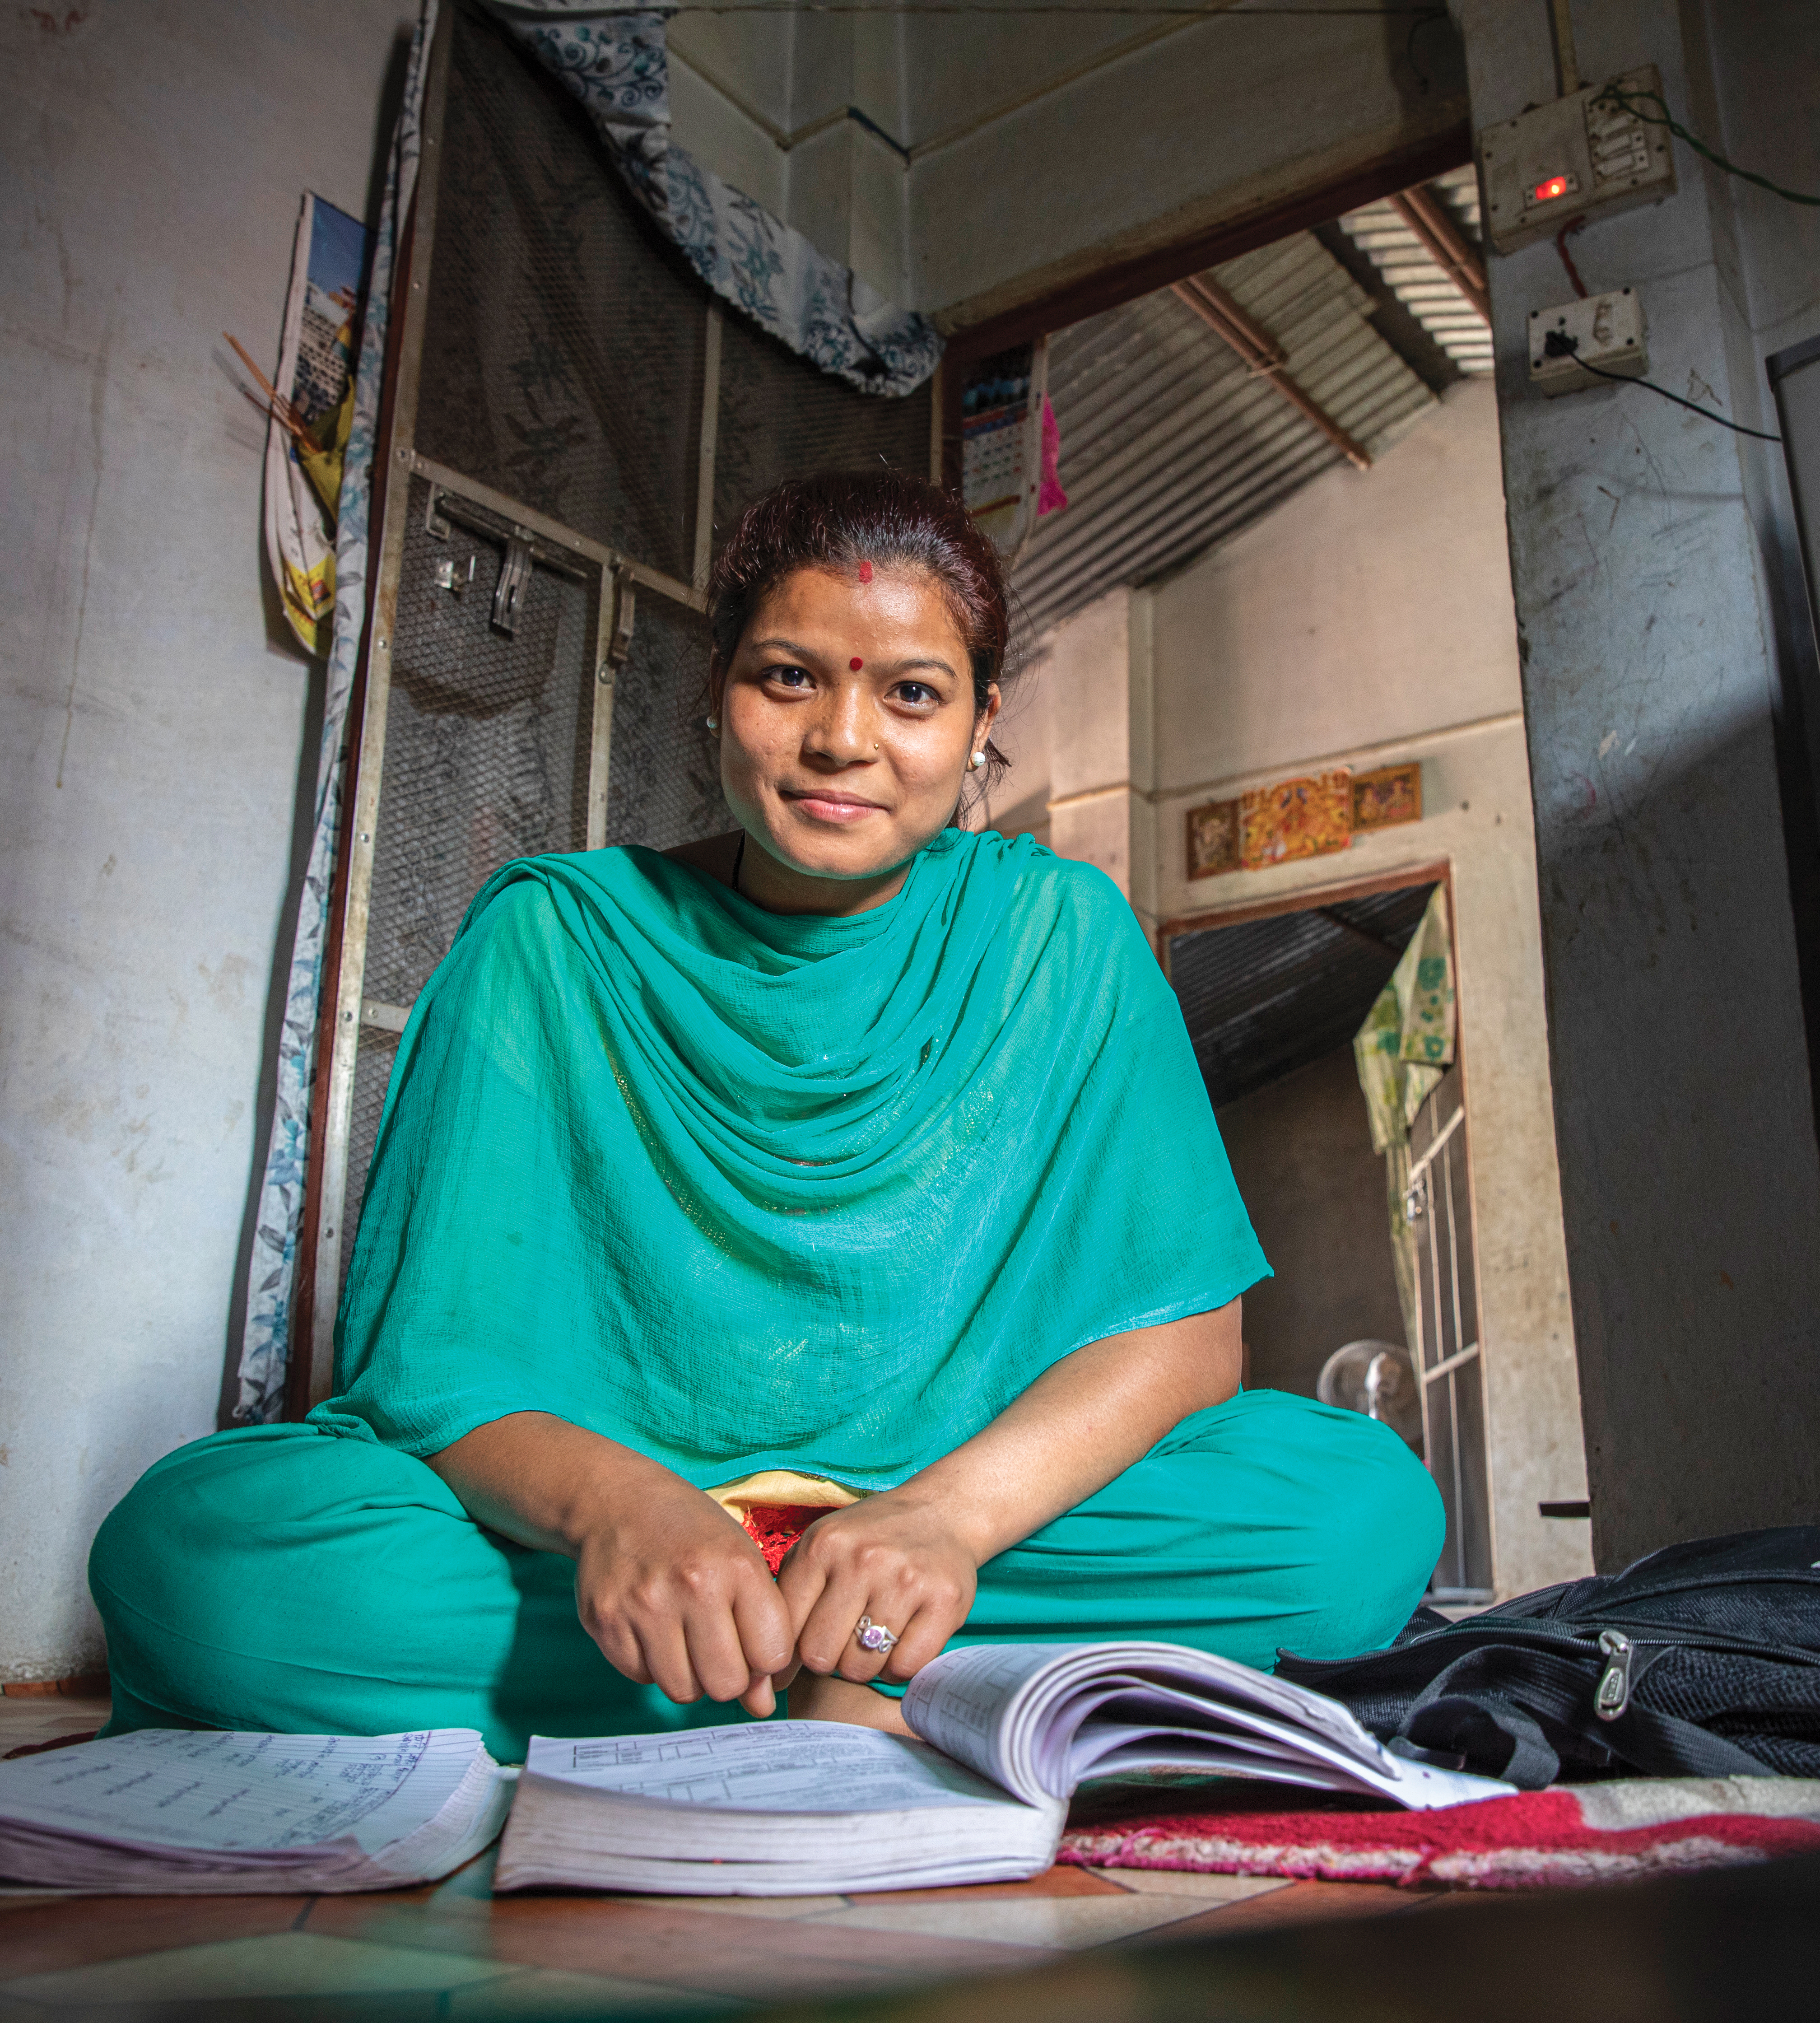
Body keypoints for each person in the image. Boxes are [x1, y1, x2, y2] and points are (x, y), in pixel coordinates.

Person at [90, 470, 1444, 1753]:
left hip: (952, 1539)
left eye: (913, 694)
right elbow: (436, 1368)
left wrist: (945, 1521)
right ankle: (900, 1681)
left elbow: (1180, 1340)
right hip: (613, 1550)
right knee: (195, 1553)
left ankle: (770, 1664)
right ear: (718, 694)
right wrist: (628, 1512)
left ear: (979, 731)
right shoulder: (556, 945)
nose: (842, 740)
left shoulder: (1063, 941)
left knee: (1357, 1515)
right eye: (788, 676)